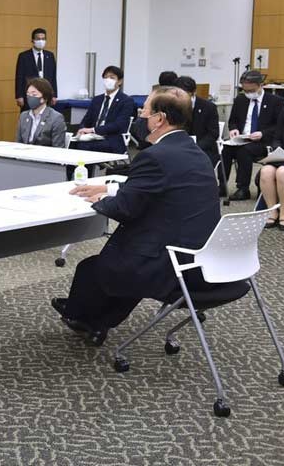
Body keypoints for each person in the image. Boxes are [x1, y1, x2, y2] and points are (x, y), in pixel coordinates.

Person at [51, 86, 221, 345]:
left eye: (144, 111)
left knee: (96, 266)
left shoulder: (155, 156)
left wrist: (103, 200)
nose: (140, 117)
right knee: (114, 261)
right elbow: (159, 189)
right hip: (204, 255)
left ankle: (85, 318)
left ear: (159, 119)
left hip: (169, 261)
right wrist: (110, 188)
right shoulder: (195, 152)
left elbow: (125, 209)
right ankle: (94, 319)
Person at [222, 69, 284, 201]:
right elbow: (233, 120)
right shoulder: (240, 100)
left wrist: (262, 133)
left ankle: (243, 189)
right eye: (245, 90)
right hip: (242, 138)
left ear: (261, 85)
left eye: (251, 90)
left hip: (263, 141)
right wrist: (233, 129)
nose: (248, 93)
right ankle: (222, 185)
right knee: (225, 148)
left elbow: (279, 126)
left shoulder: (275, 101)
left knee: (244, 150)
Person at [258, 79, 284, 231]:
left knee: (283, 172)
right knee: (266, 171)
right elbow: (277, 138)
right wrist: (277, 151)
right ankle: (272, 212)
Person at [75, 66, 134, 155]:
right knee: (72, 144)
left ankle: (84, 169)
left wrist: (93, 130)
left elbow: (118, 125)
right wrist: (82, 130)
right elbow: (86, 120)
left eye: (112, 77)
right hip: (93, 137)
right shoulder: (97, 99)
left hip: (112, 138)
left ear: (120, 81)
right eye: (105, 77)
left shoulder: (126, 101)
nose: (108, 80)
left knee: (84, 147)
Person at [174, 75, 220, 166]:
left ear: (193, 92)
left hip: (203, 148)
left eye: (185, 94)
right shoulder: (173, 106)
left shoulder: (209, 107)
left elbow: (213, 133)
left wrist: (196, 146)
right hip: (180, 147)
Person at [15, 28, 57, 112]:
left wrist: (54, 94)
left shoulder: (50, 56)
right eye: (38, 39)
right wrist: (19, 96)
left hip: (46, 95)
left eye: (43, 39)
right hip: (30, 95)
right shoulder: (24, 56)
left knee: (45, 120)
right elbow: (19, 77)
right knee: (29, 119)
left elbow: (53, 77)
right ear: (33, 40)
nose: (41, 41)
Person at [16, 78, 65, 147]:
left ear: (44, 98)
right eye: (28, 95)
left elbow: (58, 148)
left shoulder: (56, 118)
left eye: (34, 95)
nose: (30, 98)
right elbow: (18, 143)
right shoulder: (24, 116)